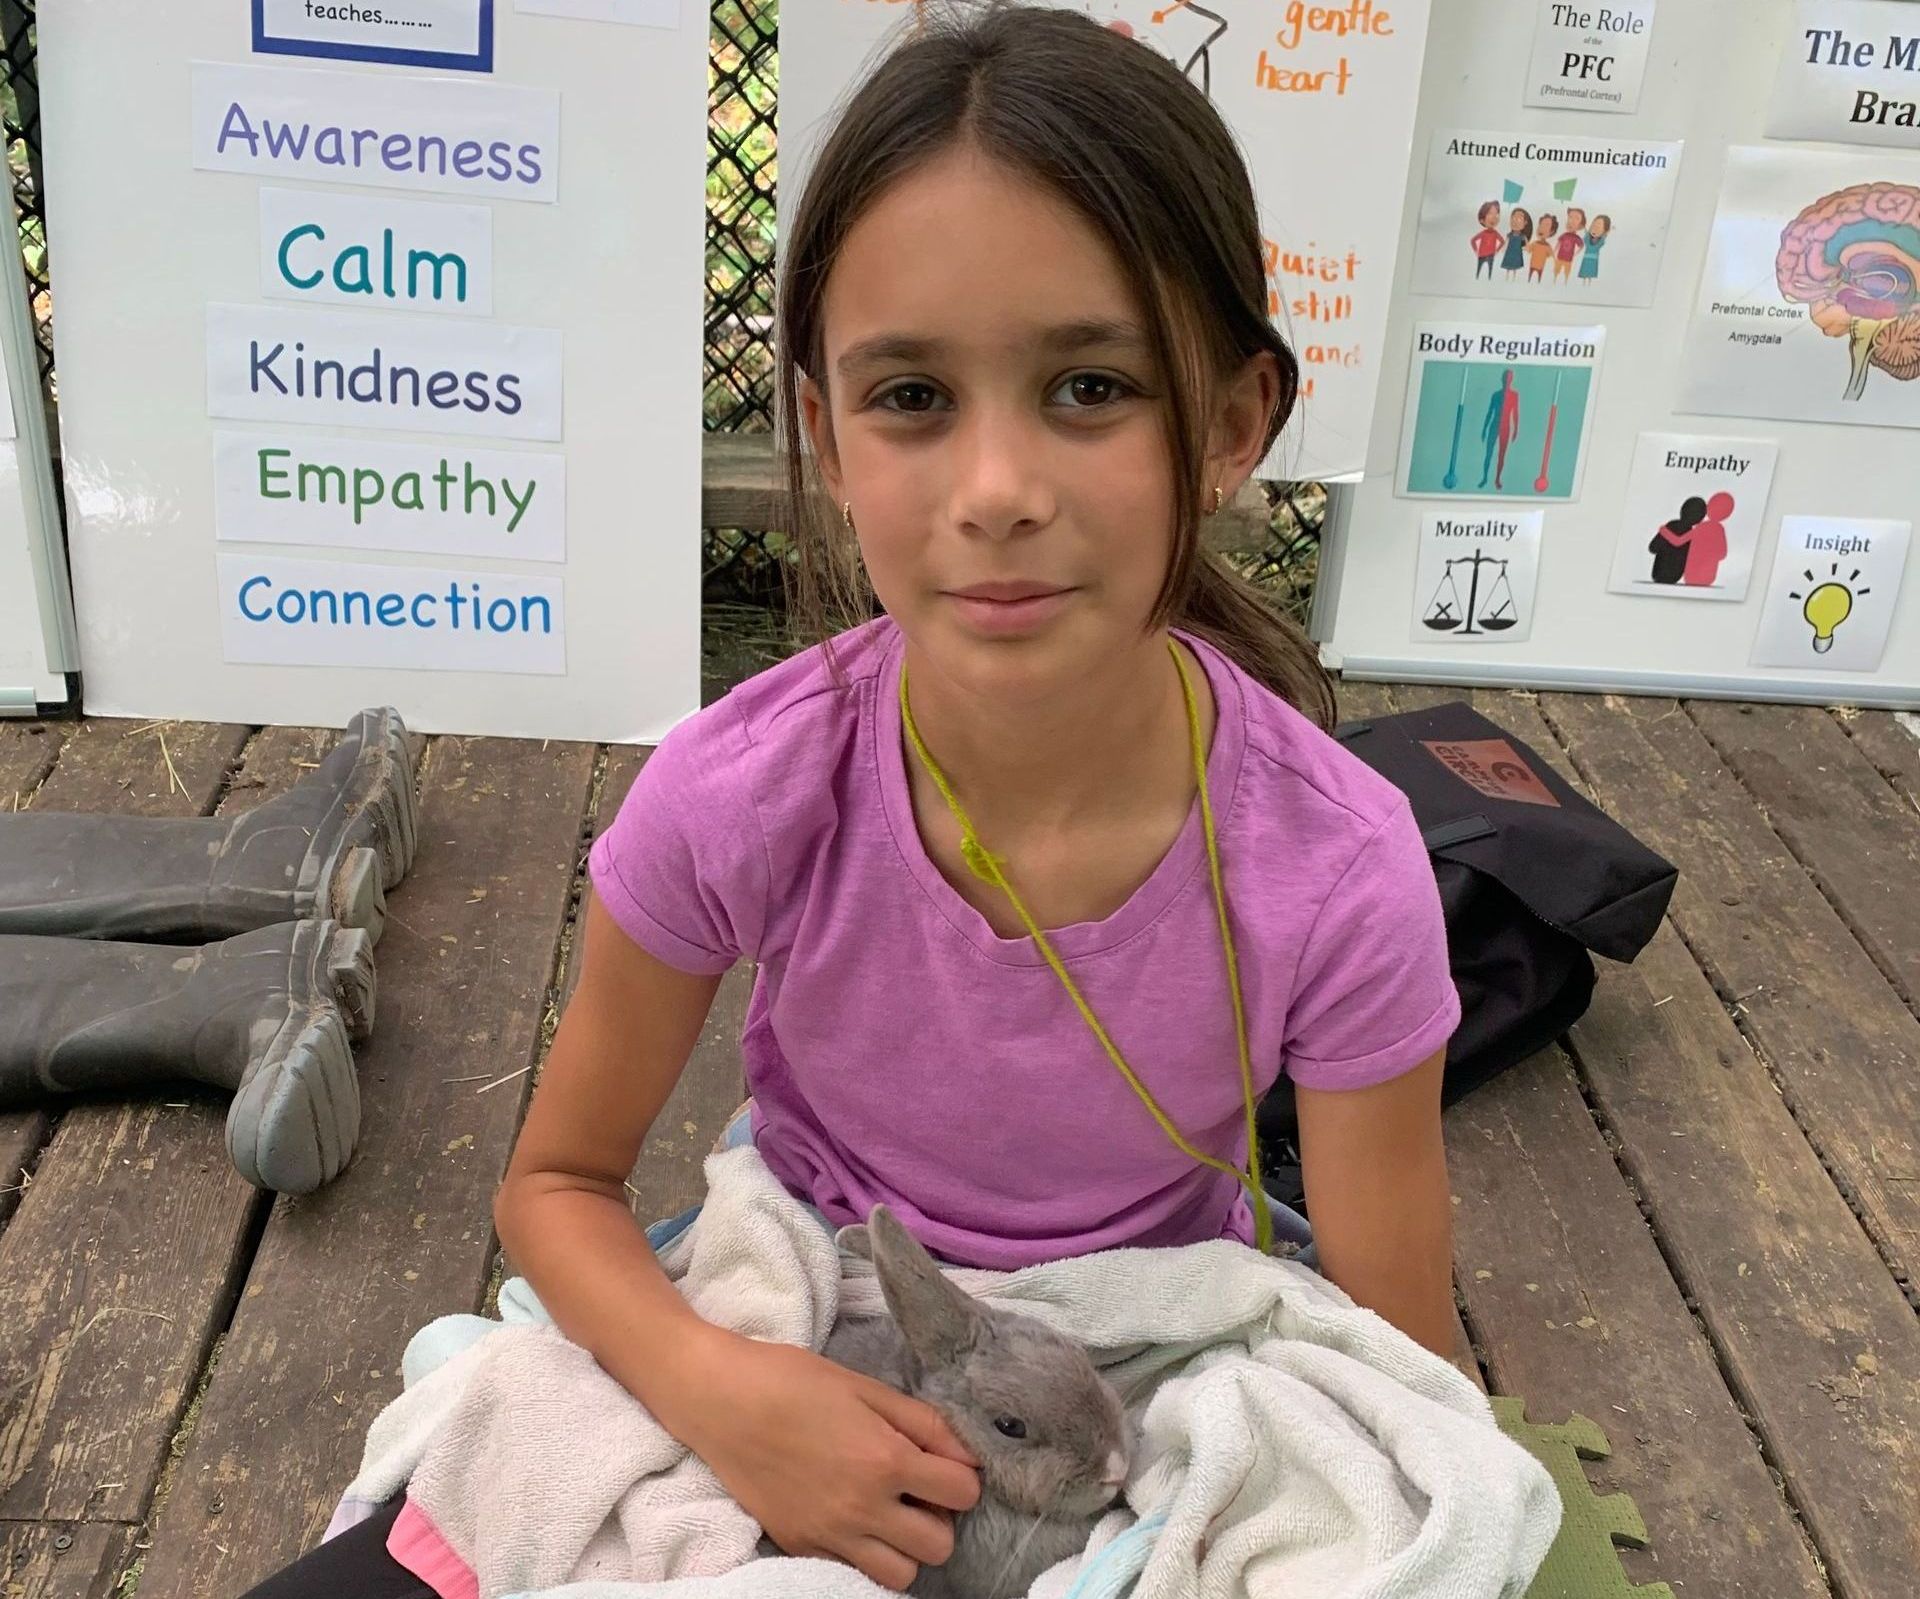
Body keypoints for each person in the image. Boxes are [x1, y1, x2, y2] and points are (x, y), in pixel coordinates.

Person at [237, 4, 1461, 1595]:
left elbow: (1398, 1376)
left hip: (1144, 1361)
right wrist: (726, 1391)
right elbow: (552, 1186)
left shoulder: (1338, 863)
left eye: (1090, 387)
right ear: (821, 426)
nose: (996, 487)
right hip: (799, 1308)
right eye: (911, 399)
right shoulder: (738, 791)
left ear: (1229, 425)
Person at [1471, 199, 1503, 280]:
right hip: (1482, 255)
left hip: (1490, 255)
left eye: (1496, 214)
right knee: (1479, 271)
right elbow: (1473, 240)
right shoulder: (1483, 233)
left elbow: (1502, 242)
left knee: (1489, 272)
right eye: (1490, 213)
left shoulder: (1495, 233)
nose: (1494, 217)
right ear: (1482, 220)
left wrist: (1496, 250)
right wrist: (1476, 251)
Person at [1554, 206, 1585, 285]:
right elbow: (1558, 243)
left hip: (1569, 259)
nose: (1572, 221)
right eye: (1570, 217)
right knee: (1556, 271)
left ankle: (1565, 282)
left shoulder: (1576, 237)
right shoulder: (1564, 235)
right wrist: (1554, 251)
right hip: (1559, 257)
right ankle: (1554, 280)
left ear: (1580, 225)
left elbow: (1581, 246)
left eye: (1577, 218)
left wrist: (1576, 253)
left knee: (1566, 272)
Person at [1500, 206, 1532, 280]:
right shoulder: (1509, 235)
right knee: (1508, 266)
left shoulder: (1522, 236)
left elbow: (1527, 245)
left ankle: (1514, 278)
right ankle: (1507, 277)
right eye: (1513, 218)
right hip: (1509, 252)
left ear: (1525, 223)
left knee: (1515, 267)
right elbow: (1506, 244)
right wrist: (1503, 249)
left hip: (1517, 253)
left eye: (1519, 219)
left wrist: (1526, 249)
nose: (1515, 221)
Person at [1526, 214, 1557, 283]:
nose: (1541, 228)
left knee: (1538, 278)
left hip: (1541, 266)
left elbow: (1551, 255)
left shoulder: (1547, 246)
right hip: (1532, 264)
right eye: (1541, 225)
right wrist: (1526, 242)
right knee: (1530, 277)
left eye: (1546, 225)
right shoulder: (1535, 243)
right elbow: (1528, 249)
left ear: (1552, 231)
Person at [1579, 214, 1610, 283]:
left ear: (1604, 230)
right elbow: (1586, 235)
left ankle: (1588, 284)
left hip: (1593, 261)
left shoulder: (1600, 242)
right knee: (1584, 275)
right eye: (1593, 226)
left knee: (1590, 275)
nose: (1595, 229)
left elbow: (1603, 238)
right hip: (1586, 260)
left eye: (1599, 227)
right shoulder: (1587, 239)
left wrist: (1607, 233)